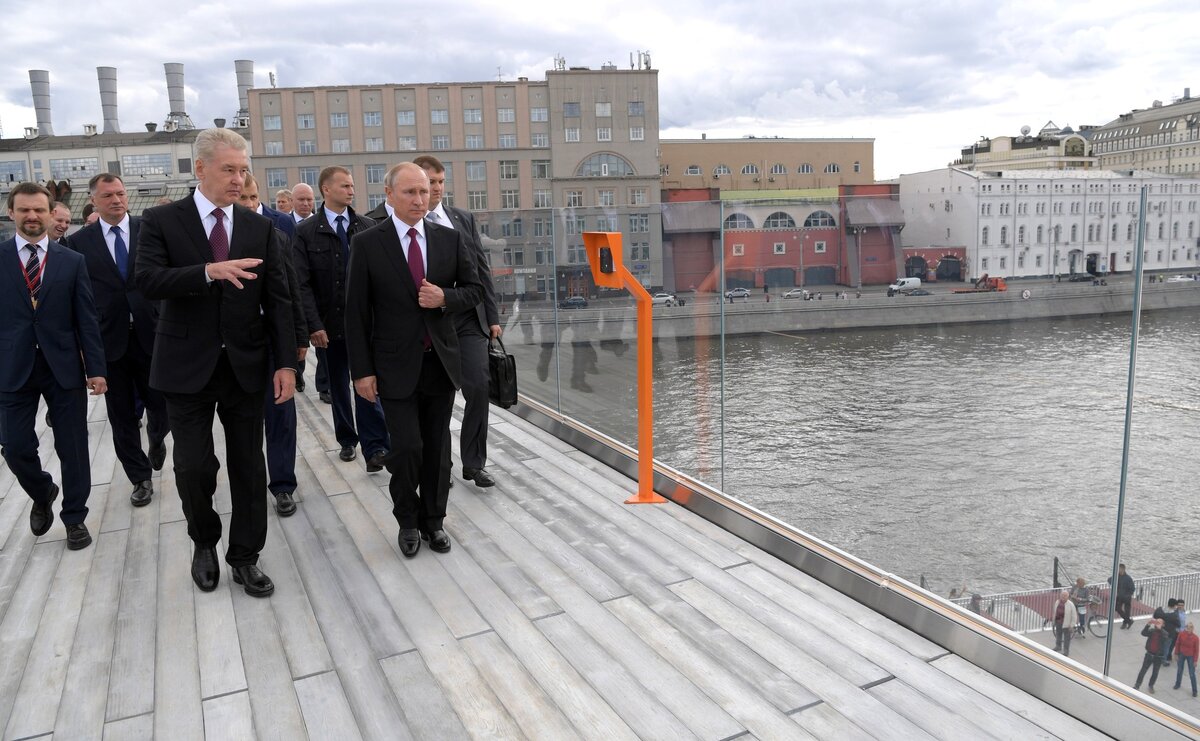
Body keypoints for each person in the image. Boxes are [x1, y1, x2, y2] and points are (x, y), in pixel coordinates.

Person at [136, 128, 296, 598]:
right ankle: (203, 542)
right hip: (185, 366)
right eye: (228, 169)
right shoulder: (163, 220)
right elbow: (145, 280)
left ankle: (245, 556)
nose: (237, 178)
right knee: (194, 468)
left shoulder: (259, 227)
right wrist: (207, 272)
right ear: (200, 168)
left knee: (250, 466)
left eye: (243, 169)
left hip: (246, 366)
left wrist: (286, 363)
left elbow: (280, 300)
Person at [345, 162, 481, 558]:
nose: (420, 200)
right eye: (409, 192)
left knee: (438, 449)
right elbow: (356, 314)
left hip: (439, 362)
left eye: (424, 192)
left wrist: (446, 298)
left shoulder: (449, 240)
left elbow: (474, 289)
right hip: (392, 366)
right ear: (388, 195)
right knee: (406, 449)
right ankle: (407, 519)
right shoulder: (369, 243)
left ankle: (433, 521)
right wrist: (362, 371)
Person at [0, 182, 107, 550]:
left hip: (62, 366)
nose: (32, 216)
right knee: (14, 447)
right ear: (11, 212)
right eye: (25, 210)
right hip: (12, 366)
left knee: (73, 446)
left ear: (50, 214)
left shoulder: (71, 261)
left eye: (39, 210)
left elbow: (86, 318)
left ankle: (75, 517)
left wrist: (96, 368)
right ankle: (43, 490)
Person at [68, 173, 170, 507]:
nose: (116, 200)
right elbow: (77, 297)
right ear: (93, 200)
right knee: (122, 415)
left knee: (162, 404)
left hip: (152, 333)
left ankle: (158, 437)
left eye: (121, 194)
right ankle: (139, 477)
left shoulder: (150, 230)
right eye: (108, 195)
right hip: (108, 341)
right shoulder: (79, 243)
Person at [293, 166, 389, 471]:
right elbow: (301, 283)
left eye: (352, 185)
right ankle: (348, 440)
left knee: (368, 382)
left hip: (367, 323)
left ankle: (376, 447)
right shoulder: (305, 233)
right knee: (338, 384)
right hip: (329, 325)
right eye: (345, 186)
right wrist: (313, 324)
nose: (351, 191)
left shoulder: (367, 226)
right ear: (326, 189)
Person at [414, 155, 501, 488]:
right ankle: (439, 464)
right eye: (429, 182)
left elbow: (481, 269)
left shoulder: (462, 218)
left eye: (439, 182)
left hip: (468, 319)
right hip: (429, 323)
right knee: (439, 396)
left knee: (478, 387)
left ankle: (474, 463)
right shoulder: (404, 222)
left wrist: (491, 316)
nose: (435, 189)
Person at [239, 172, 307, 516]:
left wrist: (299, 338)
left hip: (274, 339)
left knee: (281, 414)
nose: (250, 205)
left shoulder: (278, 237)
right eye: (243, 199)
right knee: (247, 420)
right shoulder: (216, 242)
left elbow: (291, 291)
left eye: (254, 197)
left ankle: (283, 485)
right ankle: (248, 484)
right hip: (235, 344)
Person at [1135, 618, 1168, 693]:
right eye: (1157, 622)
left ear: (1163, 625)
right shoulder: (1152, 631)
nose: (1157, 624)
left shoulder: (1164, 633)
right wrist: (1148, 624)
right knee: (1143, 670)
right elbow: (1143, 633)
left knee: (1155, 672)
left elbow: (1165, 639)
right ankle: (1137, 684)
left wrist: (1160, 630)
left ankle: (1151, 686)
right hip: (1149, 654)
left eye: (1159, 623)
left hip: (1158, 656)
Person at [1173, 622, 1199, 697]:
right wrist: (1176, 653)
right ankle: (1178, 684)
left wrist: (1195, 660)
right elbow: (1177, 643)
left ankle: (1194, 690)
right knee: (1179, 670)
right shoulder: (1181, 634)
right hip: (1181, 654)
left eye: (1190, 627)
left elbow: (1197, 650)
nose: (1188, 629)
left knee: (1191, 673)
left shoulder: (1196, 638)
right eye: (1187, 627)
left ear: (1192, 628)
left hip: (1190, 656)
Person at [1052, 589, 1078, 656]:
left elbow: (1074, 616)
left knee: (1067, 638)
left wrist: (1072, 625)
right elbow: (1055, 612)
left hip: (1066, 624)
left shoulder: (1071, 605)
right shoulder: (1057, 602)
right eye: (1062, 595)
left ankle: (1066, 651)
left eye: (1065, 596)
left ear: (1068, 597)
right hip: (1058, 622)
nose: (1063, 597)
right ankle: (1058, 646)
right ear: (1060, 596)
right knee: (1058, 635)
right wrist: (1054, 621)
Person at [1114, 563, 1135, 629]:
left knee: (1127, 610)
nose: (1118, 570)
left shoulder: (1128, 578)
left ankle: (1125, 623)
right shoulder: (1117, 576)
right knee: (1117, 608)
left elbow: (1132, 588)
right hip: (1119, 596)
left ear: (1123, 569)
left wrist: (1128, 595)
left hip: (1127, 597)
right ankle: (1128, 621)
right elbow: (1109, 580)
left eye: (1119, 569)